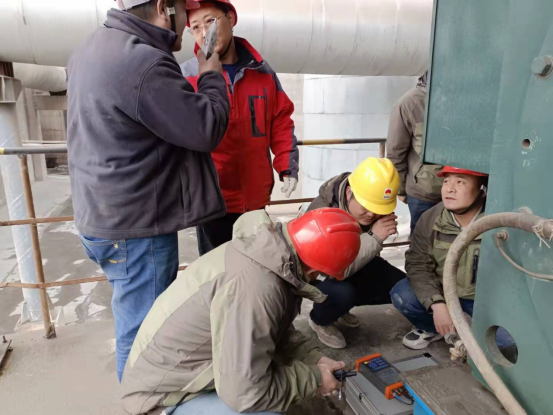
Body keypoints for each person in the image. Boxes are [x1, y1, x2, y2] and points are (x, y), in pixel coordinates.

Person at [67, 0, 230, 381]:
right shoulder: (144, 63)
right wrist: (210, 73)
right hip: (135, 228)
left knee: (135, 320)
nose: (188, 24)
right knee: (144, 332)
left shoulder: (90, 47)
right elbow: (205, 128)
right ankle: (141, 402)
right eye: (183, 11)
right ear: (162, 7)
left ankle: (140, 396)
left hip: (99, 214)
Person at [121, 208, 362, 414]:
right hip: (162, 397)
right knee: (266, 411)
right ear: (315, 269)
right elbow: (246, 394)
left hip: (177, 374)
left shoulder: (267, 254)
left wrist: (313, 359)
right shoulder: (257, 288)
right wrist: (315, 379)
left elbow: (270, 330)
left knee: (282, 392)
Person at [181, 0, 300, 256]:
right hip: (213, 203)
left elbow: (280, 119)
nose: (204, 33)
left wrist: (287, 164)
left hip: (255, 200)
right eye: (196, 27)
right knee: (219, 272)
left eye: (210, 21)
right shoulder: (187, 77)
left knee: (258, 269)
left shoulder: (262, 72)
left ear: (231, 19)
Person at [390, 166, 500, 350]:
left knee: (505, 341)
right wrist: (437, 304)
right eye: (446, 181)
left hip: (483, 301)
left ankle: (470, 332)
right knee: (403, 294)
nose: (450, 188)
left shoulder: (497, 219)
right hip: (444, 294)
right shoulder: (431, 218)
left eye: (460, 182)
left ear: (483, 190)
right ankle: (435, 328)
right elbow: (418, 264)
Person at [305, 157, 406, 349]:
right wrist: (374, 237)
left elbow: (366, 258)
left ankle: (341, 309)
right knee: (343, 293)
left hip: (353, 262)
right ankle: (320, 319)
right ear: (349, 192)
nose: (371, 214)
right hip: (320, 275)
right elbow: (335, 270)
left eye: (378, 209)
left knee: (401, 288)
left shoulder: (371, 202)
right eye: (366, 206)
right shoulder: (323, 215)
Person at [386, 72, 443, 233]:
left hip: (464, 191)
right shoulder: (409, 103)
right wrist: (400, 189)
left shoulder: (463, 98)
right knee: (422, 241)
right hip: (425, 192)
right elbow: (395, 151)